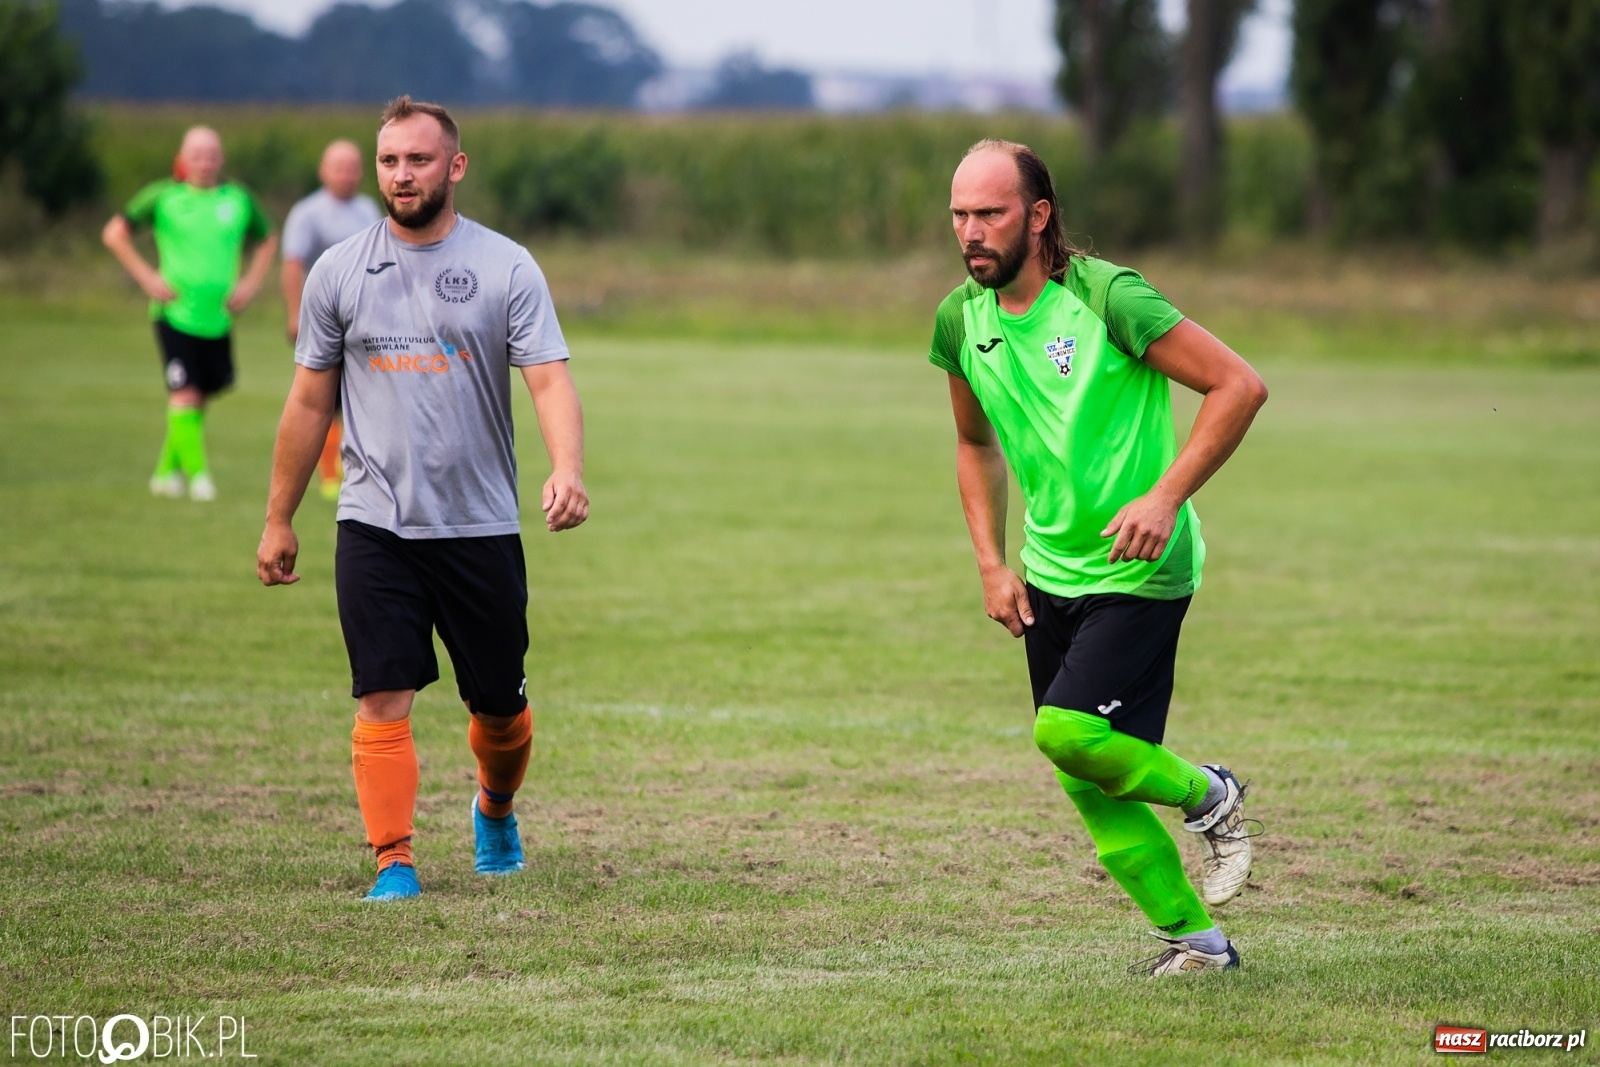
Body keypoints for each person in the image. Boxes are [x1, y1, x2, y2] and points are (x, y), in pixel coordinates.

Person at [929, 140, 1269, 976]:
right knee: (1088, 774)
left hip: (1140, 569)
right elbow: (975, 446)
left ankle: (1210, 793)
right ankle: (1199, 944)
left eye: (991, 215)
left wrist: (1165, 498)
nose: (972, 233)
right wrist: (990, 562)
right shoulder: (959, 321)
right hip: (1048, 573)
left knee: (1064, 731)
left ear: (1038, 216)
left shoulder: (1109, 296)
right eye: (960, 217)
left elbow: (1239, 385)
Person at [256, 96, 587, 902]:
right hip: (375, 522)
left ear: (455, 167)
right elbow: (308, 403)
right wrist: (278, 517)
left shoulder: (508, 266)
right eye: (389, 161)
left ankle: (496, 805)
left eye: (418, 160)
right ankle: (393, 859)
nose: (401, 175)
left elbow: (547, 376)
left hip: (478, 524)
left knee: (500, 710)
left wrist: (567, 465)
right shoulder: (340, 270)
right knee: (381, 693)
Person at [103, 126, 277, 501]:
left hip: (216, 317)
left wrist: (250, 284)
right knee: (183, 393)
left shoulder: (238, 199)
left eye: (211, 154)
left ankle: (166, 472)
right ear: (182, 159)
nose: (204, 162)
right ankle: (199, 478)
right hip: (173, 312)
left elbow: (268, 239)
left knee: (199, 396)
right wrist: (147, 277)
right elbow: (114, 233)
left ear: (221, 158)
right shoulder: (163, 196)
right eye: (196, 155)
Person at [281, 140, 383, 501]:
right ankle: (329, 476)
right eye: (339, 166)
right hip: (326, 319)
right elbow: (293, 264)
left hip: (367, 321)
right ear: (323, 170)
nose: (346, 174)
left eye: (353, 166)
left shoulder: (369, 208)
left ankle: (358, 470)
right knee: (324, 399)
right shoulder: (308, 213)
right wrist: (295, 314)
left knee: (364, 399)